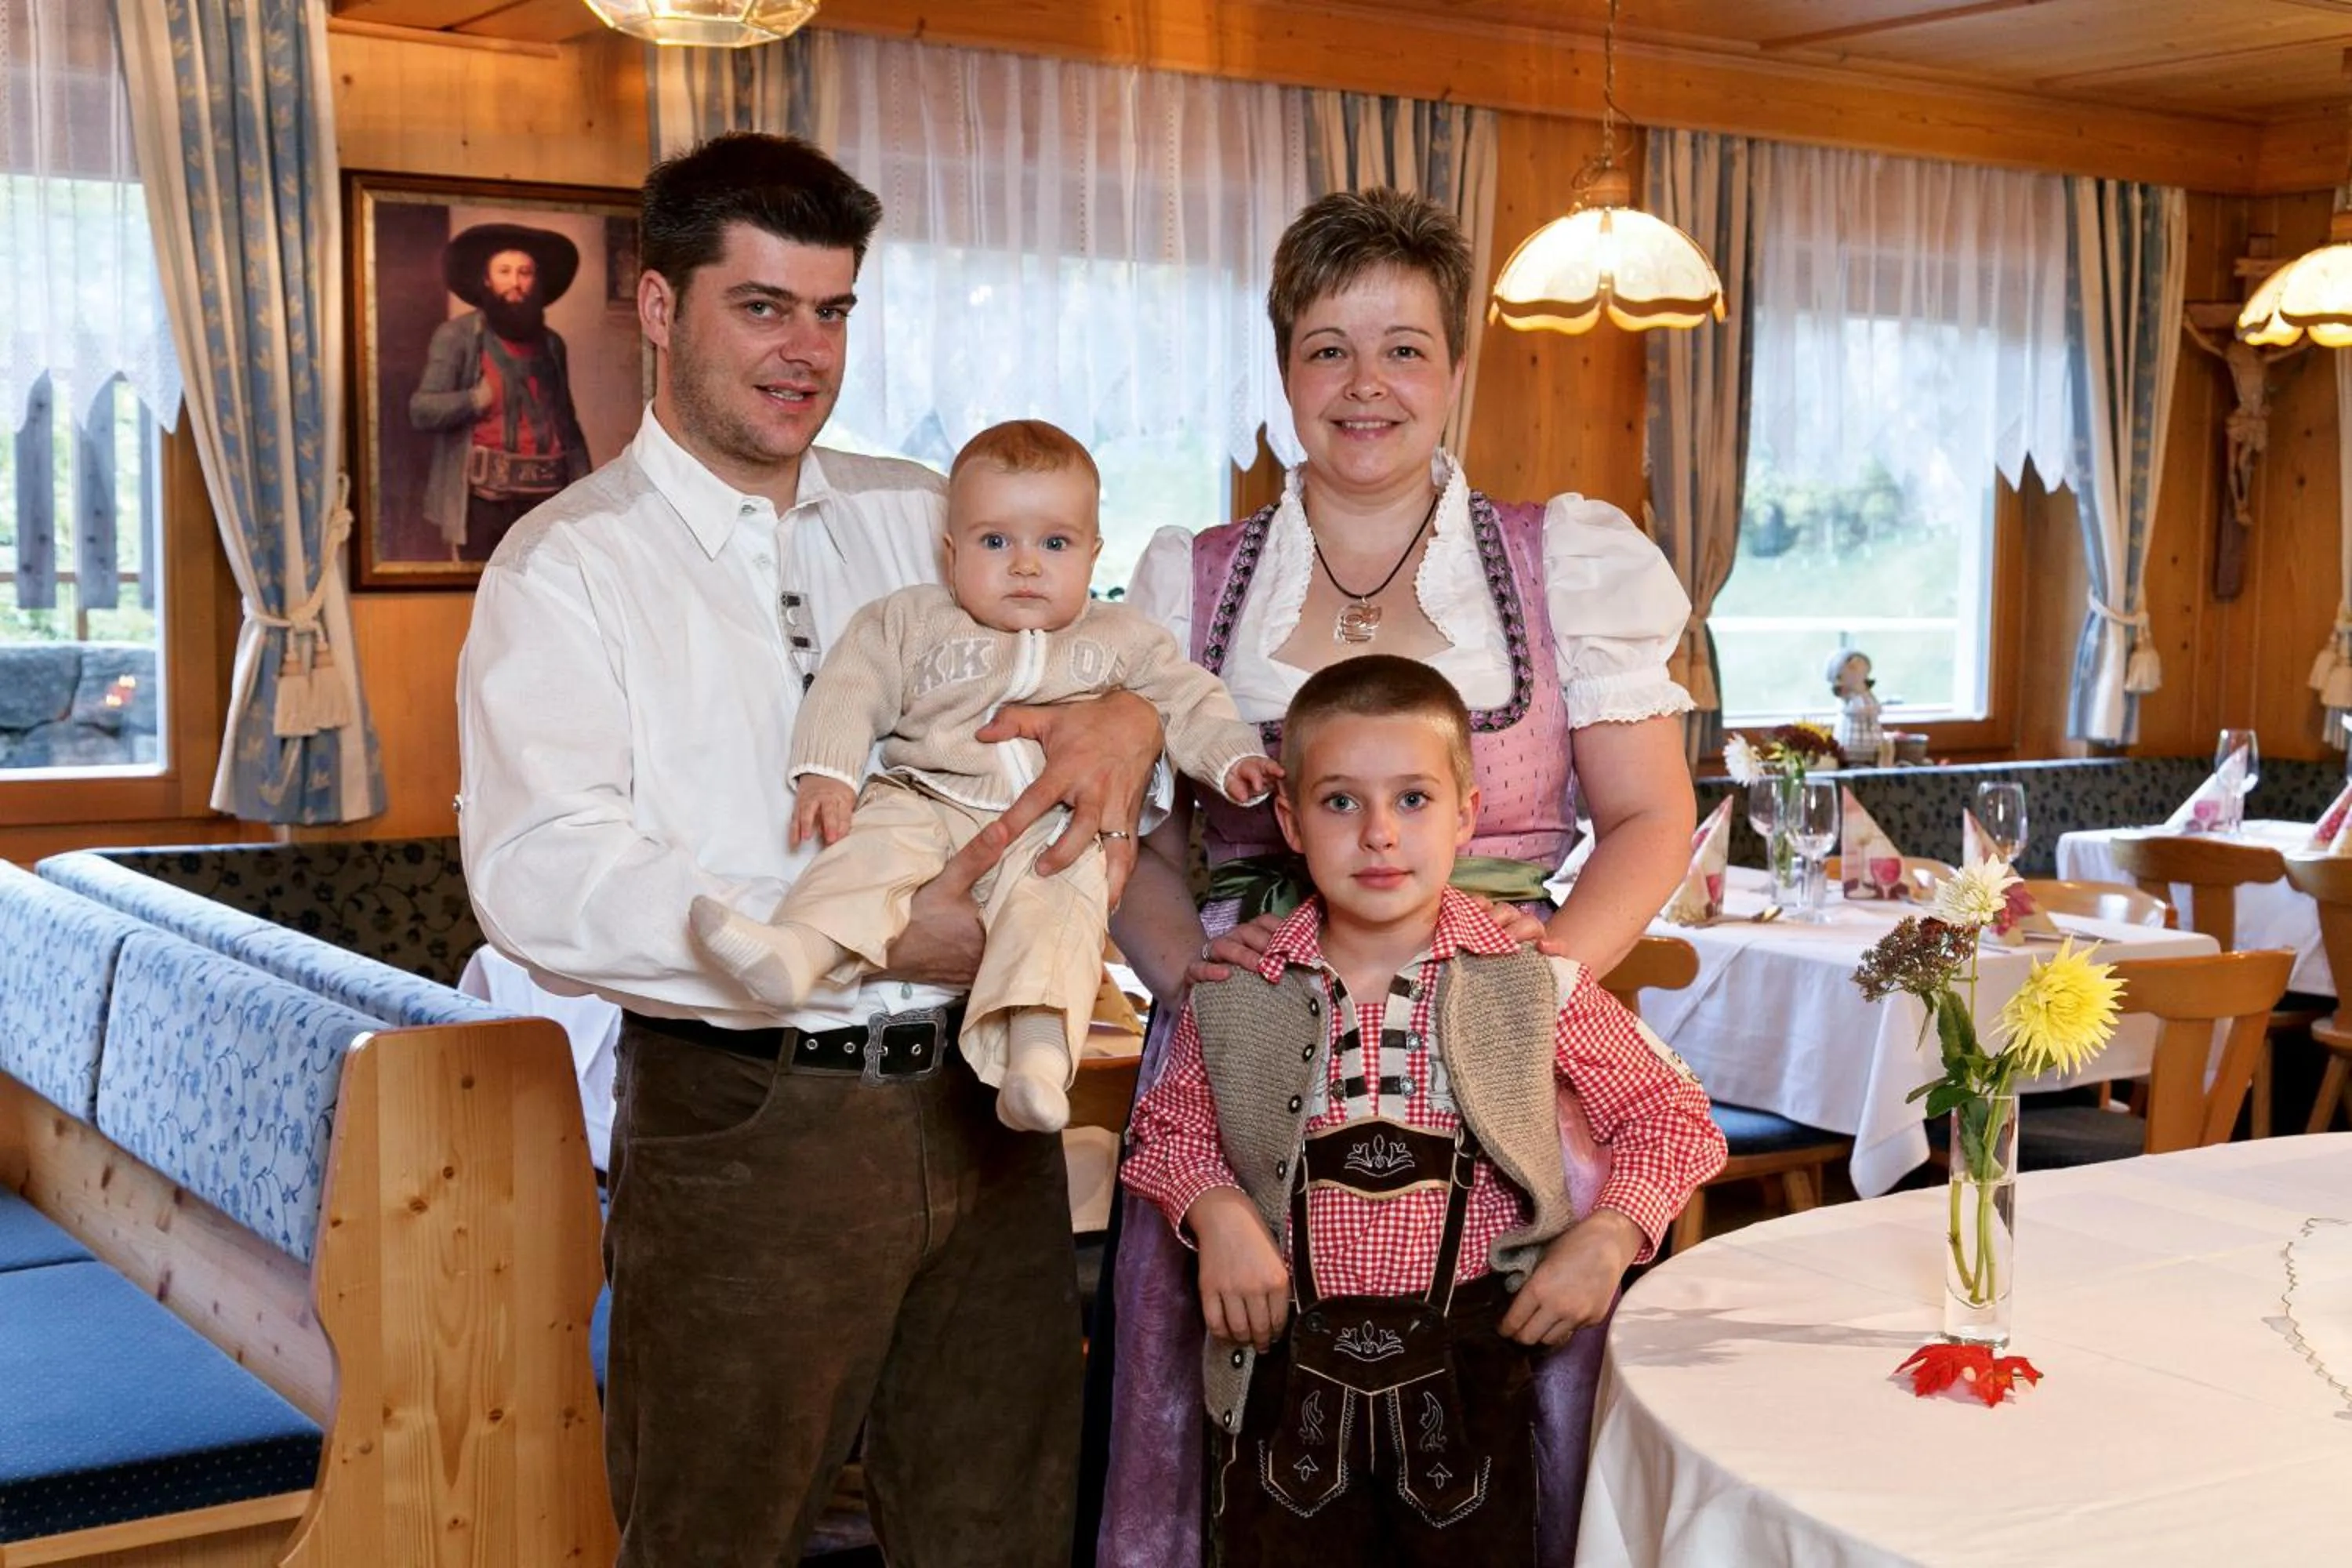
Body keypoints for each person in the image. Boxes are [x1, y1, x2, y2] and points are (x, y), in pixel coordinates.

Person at [456, 132, 1163, 1568]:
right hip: (746, 1124)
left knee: (1002, 1527)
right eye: (763, 307)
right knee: (716, 1537)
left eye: (832, 310)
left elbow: (1088, 662)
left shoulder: (923, 514)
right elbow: (543, 871)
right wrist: (879, 934)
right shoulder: (568, 564)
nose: (806, 351)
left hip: (987, 1107)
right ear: (660, 308)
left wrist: (1131, 723)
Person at [1088, 187, 1700, 1566]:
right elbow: (1135, 838)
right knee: (1253, 1434)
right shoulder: (1186, 581)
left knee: (1496, 1434)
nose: (1366, 386)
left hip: (1503, 1055)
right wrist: (1189, 976)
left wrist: (1531, 983)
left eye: (1404, 347)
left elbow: (1653, 816)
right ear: (1283, 371)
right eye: (1326, 348)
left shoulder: (1572, 560)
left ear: (1457, 370)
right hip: (1251, 1061)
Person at [1121, 656, 1725, 1564]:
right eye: (1338, 802)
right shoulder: (1239, 991)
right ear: (1287, 818)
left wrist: (1607, 1237)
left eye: (1412, 799)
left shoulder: (1528, 982)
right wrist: (1217, 1210)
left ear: (1467, 814)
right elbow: (1166, 1129)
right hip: (1282, 1385)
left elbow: (1672, 1114)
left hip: (1474, 1382)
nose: (1377, 835)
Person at [689, 417, 1279, 1133]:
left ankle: (1036, 1058)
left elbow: (1190, 700)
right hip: (926, 796)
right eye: (995, 542)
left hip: (1046, 829)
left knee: (1063, 902)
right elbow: (850, 686)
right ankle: (799, 951)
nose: (1025, 565)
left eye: (1054, 544)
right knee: (864, 854)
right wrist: (827, 772)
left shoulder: (1119, 639)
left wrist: (1231, 757)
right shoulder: (911, 619)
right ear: (952, 551)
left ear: (1093, 554)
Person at [409, 222, 594, 561]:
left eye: (525, 272)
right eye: (505, 271)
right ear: (486, 279)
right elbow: (421, 410)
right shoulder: (458, 336)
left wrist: (587, 492)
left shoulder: (552, 344)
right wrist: (472, 400)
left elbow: (568, 424)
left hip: (549, 498)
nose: (515, 282)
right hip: (484, 504)